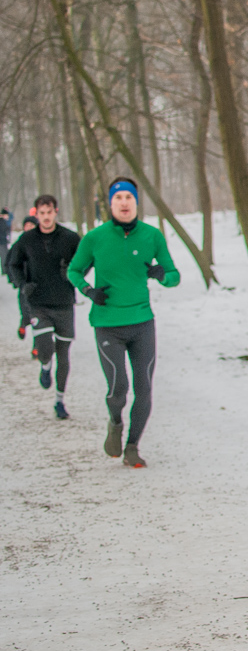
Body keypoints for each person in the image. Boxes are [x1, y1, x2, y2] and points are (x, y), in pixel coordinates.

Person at [68, 177, 179, 468]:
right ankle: (115, 422)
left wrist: (160, 274)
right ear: (111, 203)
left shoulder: (152, 236)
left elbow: (173, 276)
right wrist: (89, 291)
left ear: (136, 202)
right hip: (107, 324)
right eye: (119, 198)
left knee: (144, 388)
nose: (125, 203)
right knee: (119, 388)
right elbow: (74, 271)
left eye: (129, 197)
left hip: (142, 323)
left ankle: (132, 446)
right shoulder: (95, 238)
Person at [5, 195, 82, 419]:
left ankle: (59, 400)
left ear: (55, 212)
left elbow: (84, 261)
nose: (46, 217)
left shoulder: (69, 238)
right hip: (38, 303)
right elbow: (13, 263)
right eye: (42, 213)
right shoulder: (27, 239)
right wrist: (22, 285)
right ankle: (45, 365)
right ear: (36, 214)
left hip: (64, 303)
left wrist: (72, 274)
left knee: (64, 354)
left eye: (49, 212)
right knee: (45, 348)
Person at [6, 214, 41, 341]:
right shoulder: (19, 244)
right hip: (24, 283)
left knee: (38, 316)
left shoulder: (42, 242)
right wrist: (15, 280)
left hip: (39, 284)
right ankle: (23, 324)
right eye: (27, 225)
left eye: (32, 225)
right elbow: (9, 263)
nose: (29, 227)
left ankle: (37, 346)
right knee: (26, 311)